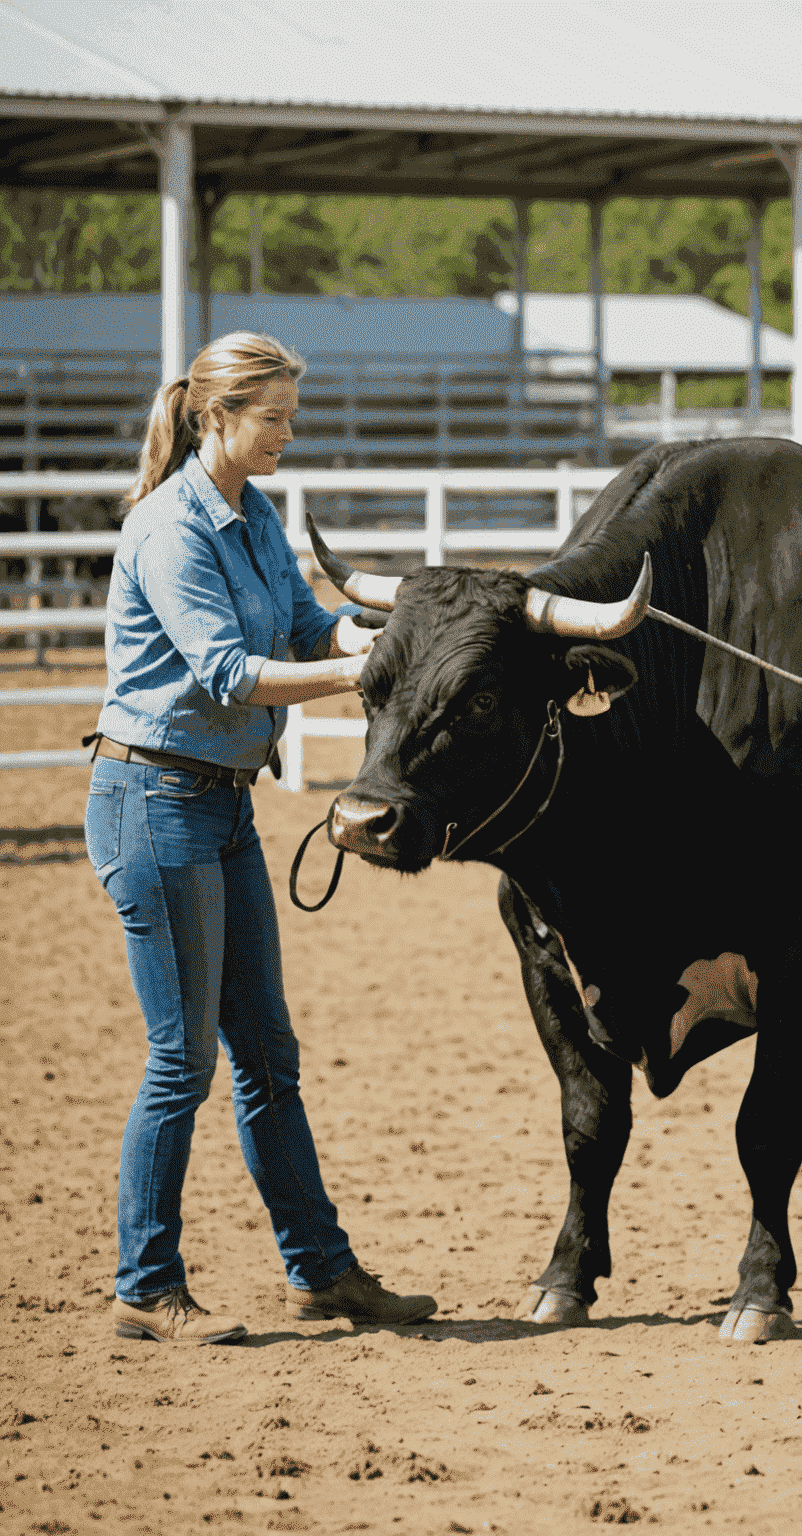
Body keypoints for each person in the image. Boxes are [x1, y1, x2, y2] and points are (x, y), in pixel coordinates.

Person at [85, 331, 435, 1344]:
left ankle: (320, 1272)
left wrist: (366, 636)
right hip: (155, 800)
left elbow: (298, 619)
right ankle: (144, 1287)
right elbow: (229, 671)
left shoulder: (251, 515)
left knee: (266, 1054)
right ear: (216, 418)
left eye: (291, 416)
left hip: (216, 802)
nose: (288, 433)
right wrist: (357, 674)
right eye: (272, 417)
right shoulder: (171, 529)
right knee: (181, 1061)